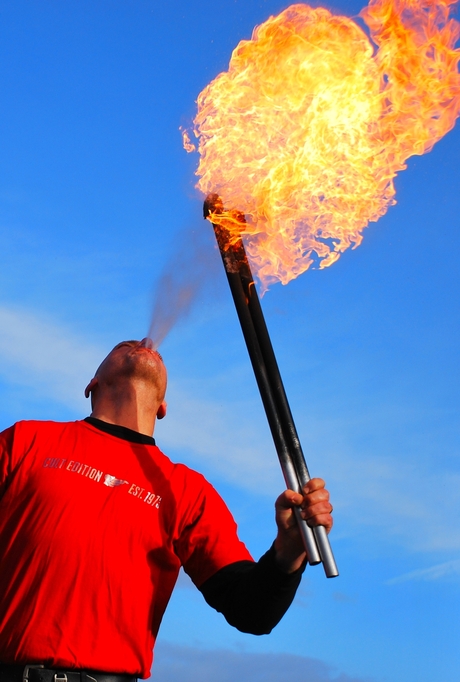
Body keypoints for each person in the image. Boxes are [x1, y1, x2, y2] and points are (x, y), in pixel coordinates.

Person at [0, 339, 334, 682]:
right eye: (123, 345)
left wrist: (288, 551)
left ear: (163, 406)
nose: (144, 343)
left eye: (151, 348)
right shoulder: (26, 440)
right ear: (92, 385)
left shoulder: (188, 491)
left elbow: (251, 612)